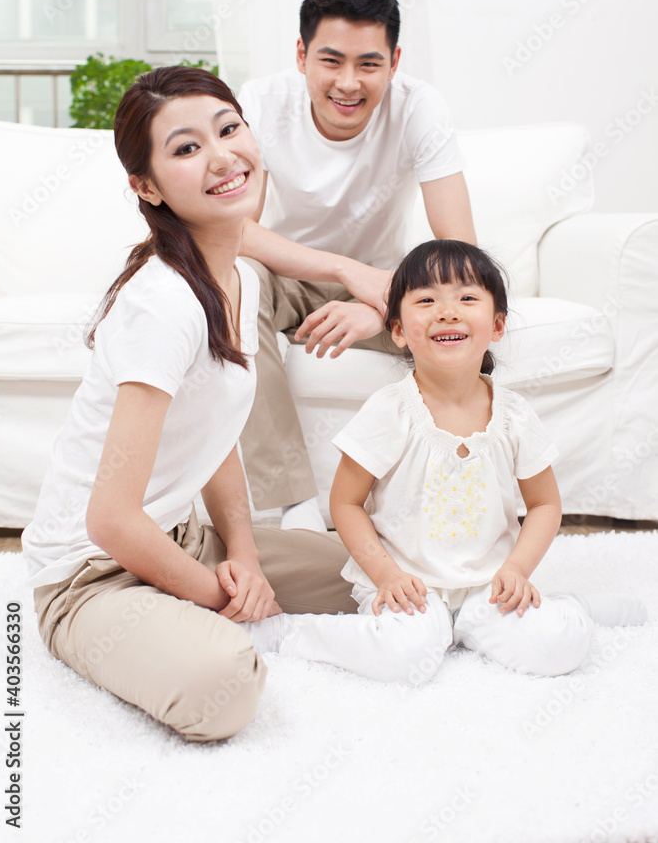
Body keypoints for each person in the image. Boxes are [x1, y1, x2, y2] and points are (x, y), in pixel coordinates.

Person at [21, 66, 358, 744]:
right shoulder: (162, 304)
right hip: (90, 575)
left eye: (228, 129)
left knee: (373, 570)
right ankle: (153, 629)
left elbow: (214, 434)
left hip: (178, 538)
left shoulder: (237, 276)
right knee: (225, 688)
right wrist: (219, 597)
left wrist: (245, 557)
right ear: (145, 187)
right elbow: (111, 519)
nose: (223, 156)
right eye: (185, 148)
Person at [245, 240, 646, 682]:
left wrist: (516, 570)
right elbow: (346, 504)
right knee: (403, 657)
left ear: (497, 326)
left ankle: (569, 609)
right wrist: (386, 576)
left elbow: (545, 505)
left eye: (467, 298)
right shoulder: (389, 410)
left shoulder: (513, 414)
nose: (448, 311)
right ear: (397, 330)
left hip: (487, 583)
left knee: (558, 648)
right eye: (426, 300)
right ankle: (287, 633)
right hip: (409, 583)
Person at [237, 0, 477, 531]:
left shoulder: (419, 107)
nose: (349, 82)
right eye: (331, 60)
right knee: (235, 283)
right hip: (288, 276)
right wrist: (349, 271)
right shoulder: (262, 102)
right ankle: (296, 507)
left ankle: (457, 506)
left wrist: (377, 305)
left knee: (468, 314)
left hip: (389, 286)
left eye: (369, 64)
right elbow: (237, 233)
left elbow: (460, 252)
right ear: (301, 55)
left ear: (394, 63)